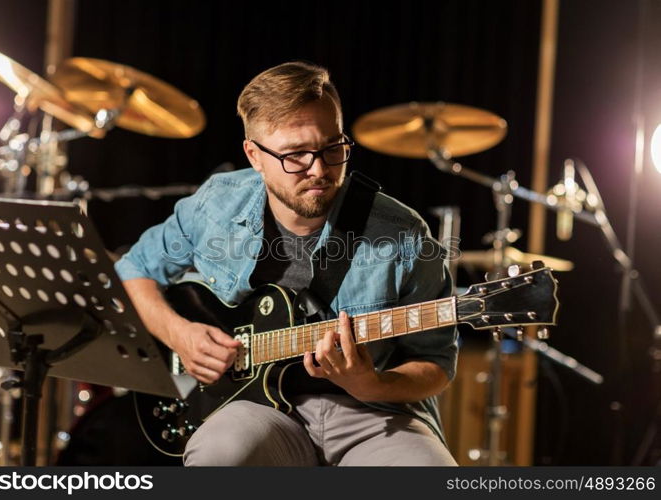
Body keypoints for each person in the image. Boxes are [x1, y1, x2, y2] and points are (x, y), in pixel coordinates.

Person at [115, 61, 459, 466]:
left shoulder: (402, 232)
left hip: (375, 415)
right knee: (219, 456)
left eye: (333, 148)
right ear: (254, 155)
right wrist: (180, 334)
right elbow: (133, 270)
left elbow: (435, 363)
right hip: (254, 411)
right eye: (296, 155)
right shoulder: (217, 203)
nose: (319, 170)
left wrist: (373, 383)